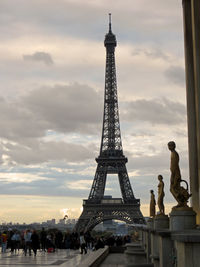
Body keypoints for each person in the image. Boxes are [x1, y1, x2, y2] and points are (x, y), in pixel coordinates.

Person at [168, 141, 191, 207]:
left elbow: (174, 166)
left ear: (173, 146)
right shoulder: (173, 153)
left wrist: (173, 176)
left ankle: (181, 202)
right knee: (175, 188)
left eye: (170, 146)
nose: (169, 147)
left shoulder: (174, 154)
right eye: (168, 146)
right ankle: (183, 201)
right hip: (175, 173)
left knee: (173, 189)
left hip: (175, 174)